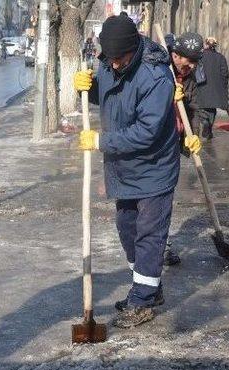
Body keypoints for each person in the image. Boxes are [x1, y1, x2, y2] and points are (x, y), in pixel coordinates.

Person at [72, 15, 201, 329]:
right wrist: (86, 88)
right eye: (110, 59)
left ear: (134, 49)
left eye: (120, 59)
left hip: (154, 167)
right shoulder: (108, 63)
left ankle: (142, 300)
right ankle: (148, 287)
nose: (114, 65)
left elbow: (147, 132)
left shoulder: (156, 77)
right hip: (123, 167)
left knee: (149, 235)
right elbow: (105, 89)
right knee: (126, 226)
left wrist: (101, 141)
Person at [161, 32, 205, 267]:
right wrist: (165, 96)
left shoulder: (189, 76)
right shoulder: (158, 67)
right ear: (176, 56)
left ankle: (161, 244)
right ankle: (149, 244)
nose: (193, 67)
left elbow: (197, 109)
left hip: (172, 144)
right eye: (190, 62)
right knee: (150, 200)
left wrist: (194, 135)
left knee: (166, 197)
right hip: (151, 143)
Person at [197, 36, 229, 143]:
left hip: (201, 87)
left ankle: (205, 123)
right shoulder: (221, 57)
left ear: (205, 44)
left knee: (201, 108)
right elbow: (225, 74)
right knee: (212, 110)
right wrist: (222, 87)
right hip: (215, 89)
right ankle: (209, 130)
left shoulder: (199, 56)